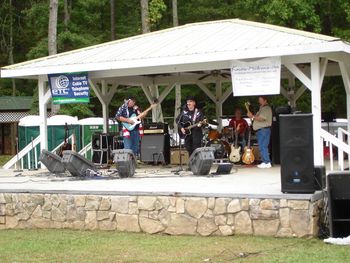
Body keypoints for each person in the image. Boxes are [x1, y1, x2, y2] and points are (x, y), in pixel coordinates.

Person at [247, 96, 272, 168]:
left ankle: (267, 162)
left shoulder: (266, 108)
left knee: (263, 146)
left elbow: (261, 118)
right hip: (261, 130)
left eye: (261, 100)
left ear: (265, 101)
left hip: (263, 130)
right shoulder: (262, 108)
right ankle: (265, 161)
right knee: (262, 146)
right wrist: (251, 116)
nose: (259, 102)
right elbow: (255, 118)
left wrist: (253, 116)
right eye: (259, 100)